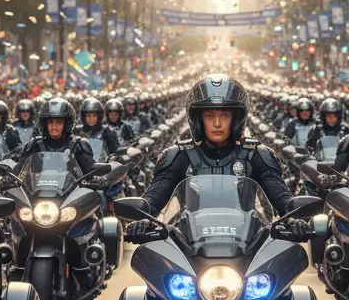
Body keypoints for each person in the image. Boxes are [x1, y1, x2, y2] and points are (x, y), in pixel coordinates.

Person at [127, 74, 308, 240]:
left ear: (237, 118)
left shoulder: (256, 154)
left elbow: (281, 195)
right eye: (209, 115)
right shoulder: (178, 156)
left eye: (225, 115)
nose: (217, 123)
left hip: (247, 243)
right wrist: (143, 218)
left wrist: (293, 216)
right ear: (197, 119)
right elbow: (154, 197)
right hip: (189, 243)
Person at [18, 97, 96, 175]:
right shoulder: (34, 145)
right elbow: (19, 170)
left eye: (59, 122)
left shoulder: (78, 145)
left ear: (67, 124)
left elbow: (92, 170)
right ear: (45, 124)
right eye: (50, 122)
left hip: (72, 187)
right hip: (38, 187)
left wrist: (98, 178)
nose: (54, 126)